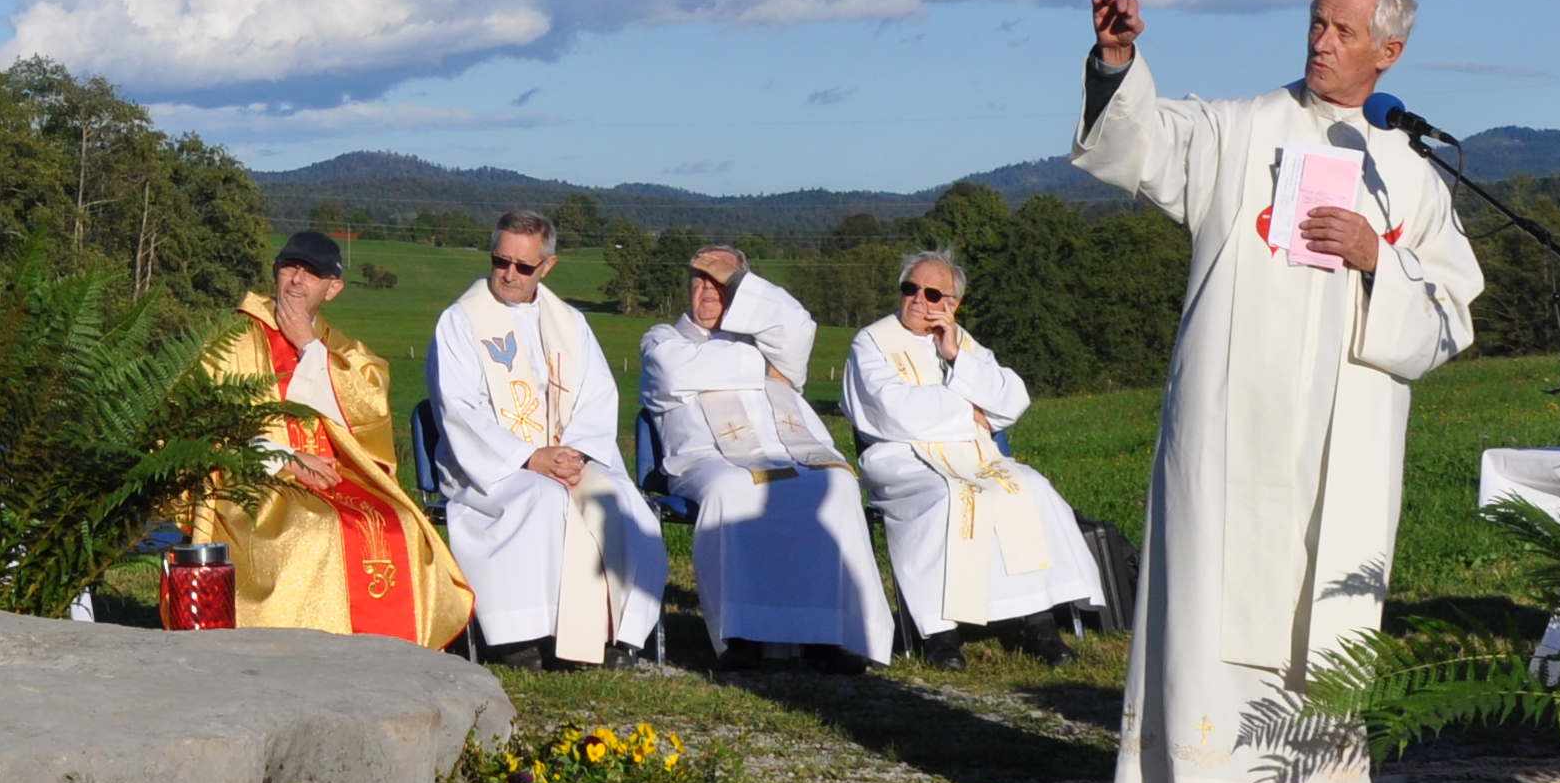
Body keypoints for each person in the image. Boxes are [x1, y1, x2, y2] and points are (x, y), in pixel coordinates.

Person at [1070, 0, 1482, 783]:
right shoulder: (1242, 129)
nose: (1320, 42)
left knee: (1325, 598)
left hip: (1350, 426)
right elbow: (1143, 143)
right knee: (1229, 589)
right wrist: (1114, 67)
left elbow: (1453, 311)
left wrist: (1381, 258)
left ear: (1391, 50)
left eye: (1342, 31)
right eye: (1315, 23)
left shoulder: (1409, 170)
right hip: (1233, 416)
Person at [185, 233, 472, 647]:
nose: (297, 280)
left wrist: (307, 345)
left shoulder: (342, 349)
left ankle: (396, 650)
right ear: (276, 271)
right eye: (290, 267)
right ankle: (297, 649)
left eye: (312, 273)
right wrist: (282, 458)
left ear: (333, 288)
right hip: (254, 477)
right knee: (313, 529)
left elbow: (366, 410)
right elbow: (202, 427)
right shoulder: (231, 340)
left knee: (402, 524)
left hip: (334, 476)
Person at [842, 249, 1110, 659]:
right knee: (949, 497)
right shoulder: (872, 341)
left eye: (932, 294)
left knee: (1029, 488)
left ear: (951, 305)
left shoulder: (961, 341)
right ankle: (941, 635)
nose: (918, 299)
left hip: (975, 454)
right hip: (902, 458)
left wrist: (955, 357)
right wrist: (971, 411)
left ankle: (1040, 625)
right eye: (910, 288)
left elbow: (1012, 399)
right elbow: (893, 410)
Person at [638, 245, 890, 669]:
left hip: (788, 449)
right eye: (699, 280)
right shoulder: (663, 338)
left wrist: (742, 302)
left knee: (835, 484)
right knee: (735, 488)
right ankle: (741, 636)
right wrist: (762, 367)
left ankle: (830, 636)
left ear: (743, 291)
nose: (709, 290)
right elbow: (676, 371)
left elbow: (800, 329)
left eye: (721, 281)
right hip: (708, 458)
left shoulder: (766, 338)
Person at [431, 211, 666, 667]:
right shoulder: (460, 321)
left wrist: (573, 454)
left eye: (524, 267)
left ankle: (611, 635)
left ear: (548, 266)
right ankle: (520, 635)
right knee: (542, 499)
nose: (509, 275)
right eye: (501, 261)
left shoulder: (569, 323)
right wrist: (528, 456)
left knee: (616, 499)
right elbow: (458, 409)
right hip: (491, 464)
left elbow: (597, 395)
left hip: (564, 455)